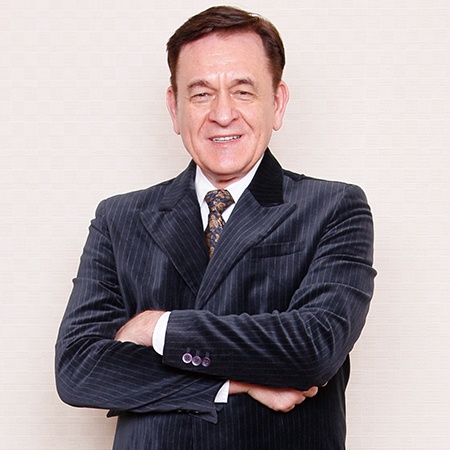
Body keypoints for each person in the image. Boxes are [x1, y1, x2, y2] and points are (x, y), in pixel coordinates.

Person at [55, 6, 376, 449]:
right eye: (202, 94)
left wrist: (158, 327)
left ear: (277, 102)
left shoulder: (334, 208)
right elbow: (79, 369)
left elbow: (312, 348)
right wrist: (239, 382)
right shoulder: (119, 219)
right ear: (175, 108)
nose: (223, 114)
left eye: (243, 91)